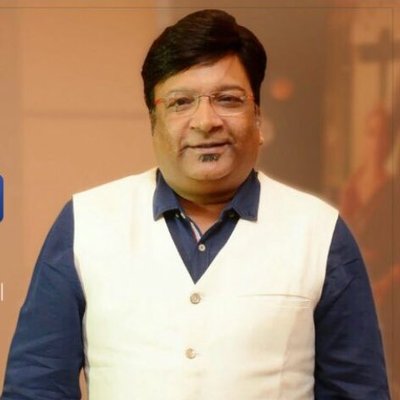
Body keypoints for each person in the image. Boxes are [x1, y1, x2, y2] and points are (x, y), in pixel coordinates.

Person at [1, 9, 390, 400]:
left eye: (228, 99)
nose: (206, 121)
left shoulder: (320, 233)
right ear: (153, 121)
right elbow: (36, 387)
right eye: (181, 102)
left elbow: (356, 391)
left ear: (258, 116)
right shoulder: (86, 223)